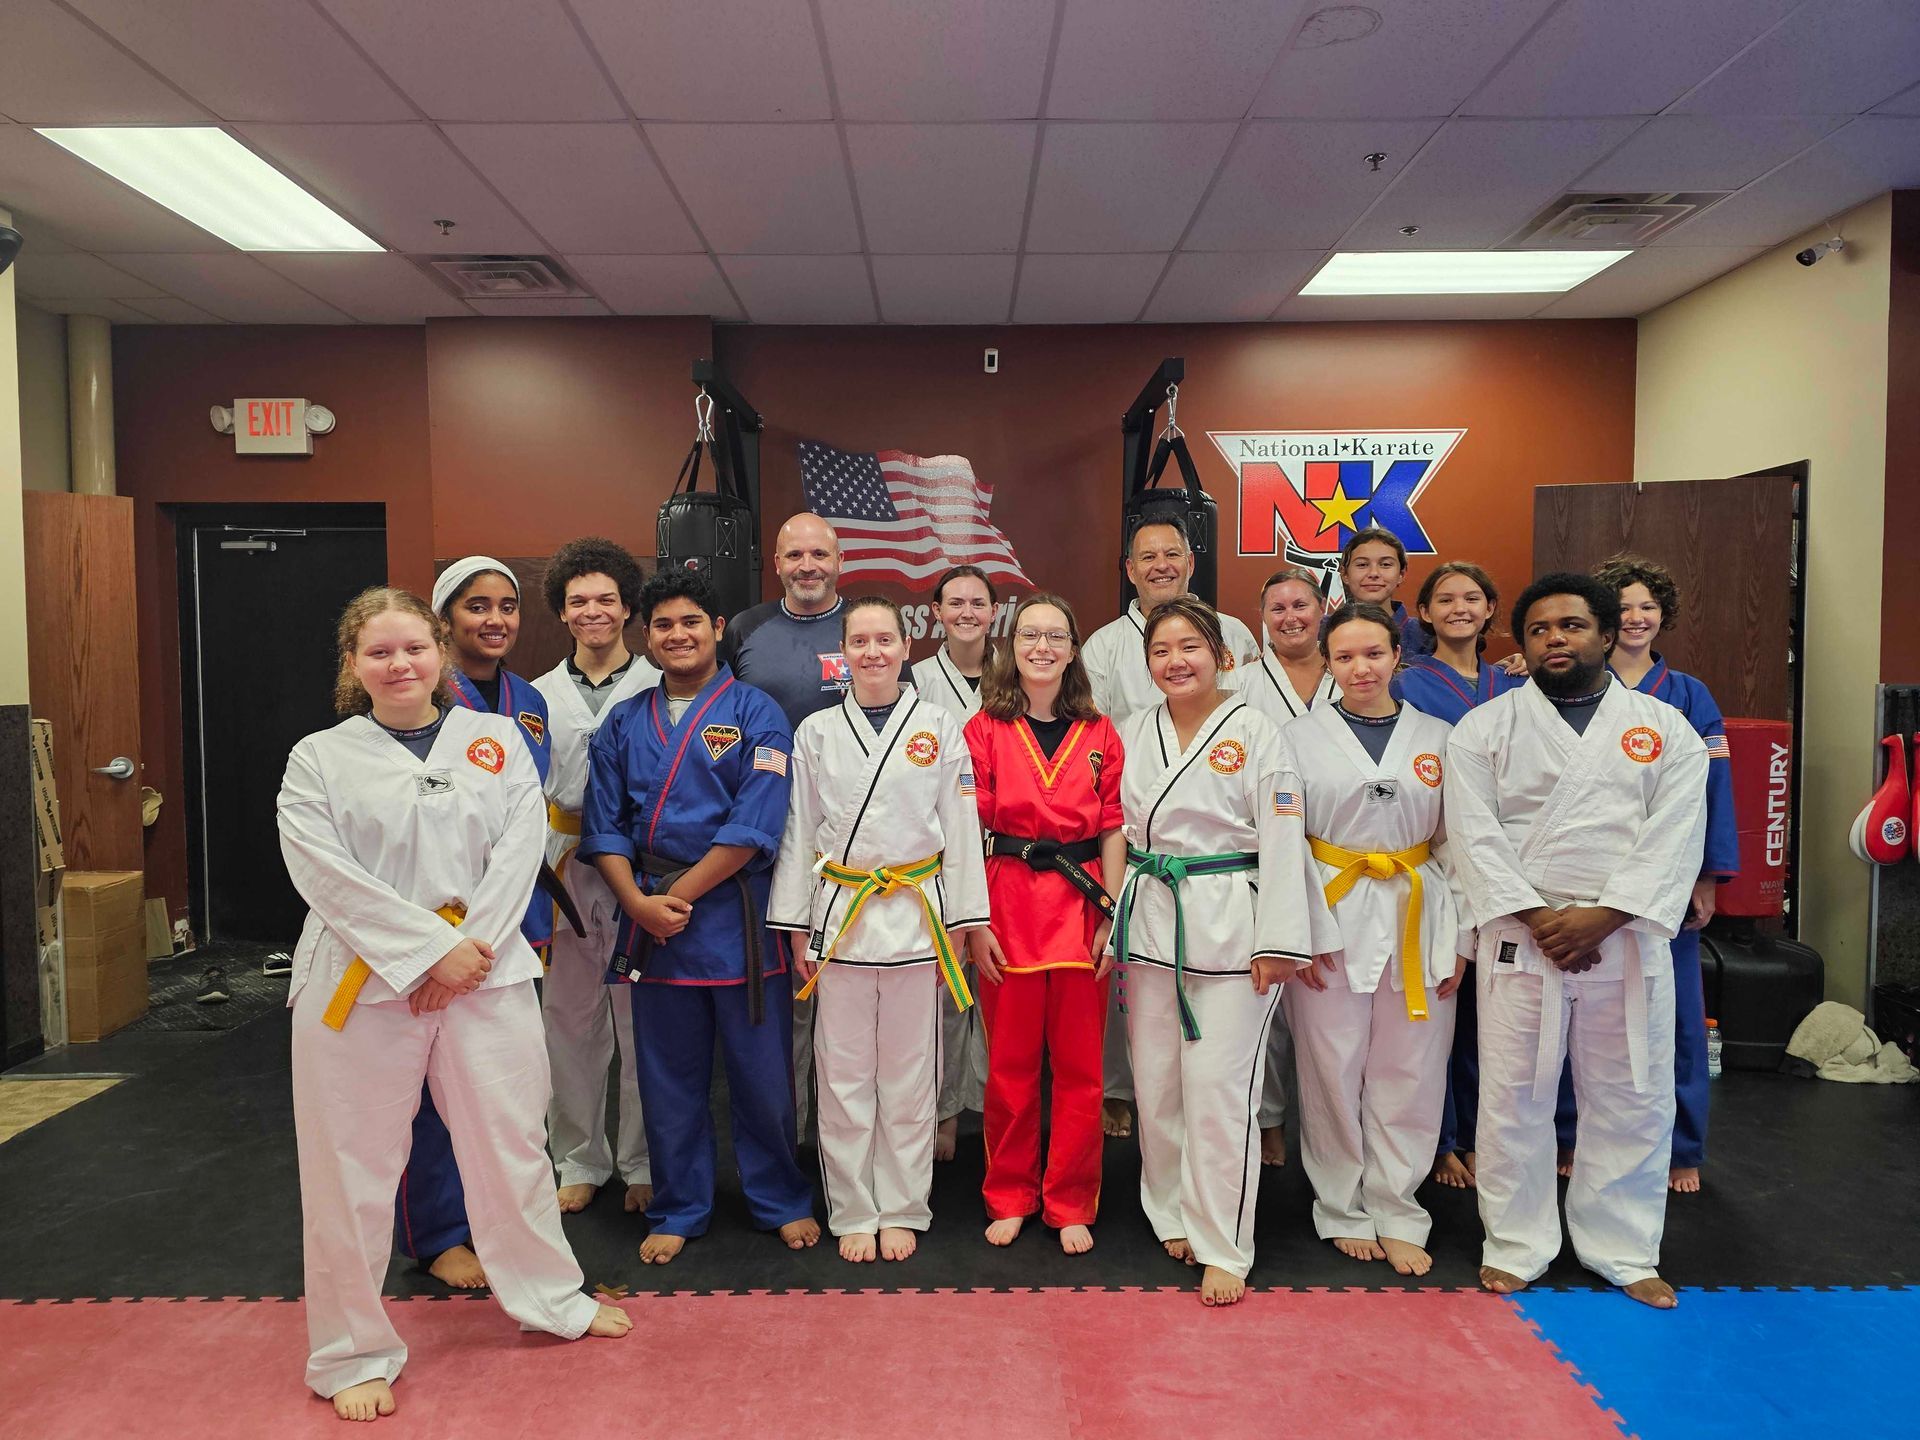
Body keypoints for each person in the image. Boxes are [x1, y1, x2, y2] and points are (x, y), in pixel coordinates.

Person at [278, 587, 628, 1421]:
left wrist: (463, 954)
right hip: (360, 986)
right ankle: (351, 1351)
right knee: (350, 1171)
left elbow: (519, 852)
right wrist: (427, 952)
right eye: (379, 653)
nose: (399, 665)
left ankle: (551, 1296)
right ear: (353, 666)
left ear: (439, 654)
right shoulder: (319, 757)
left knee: (511, 1147)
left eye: (413, 649)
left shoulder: (496, 739)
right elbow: (322, 872)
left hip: (486, 974)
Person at [1445, 573, 1706, 1308]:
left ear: (1605, 632)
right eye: (1540, 630)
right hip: (1522, 936)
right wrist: (1539, 917)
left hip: (1622, 938)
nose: (1556, 638)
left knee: (1633, 1094)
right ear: (1521, 645)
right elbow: (1473, 834)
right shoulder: (1485, 730)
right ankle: (1517, 1243)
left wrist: (1608, 913)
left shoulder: (1664, 728)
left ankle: (1624, 1248)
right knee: (1512, 1097)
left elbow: (1677, 830)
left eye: (1572, 625)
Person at [579, 570, 820, 1266]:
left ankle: (778, 1197)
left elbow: (756, 822)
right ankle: (680, 1204)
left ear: (719, 629)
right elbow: (606, 827)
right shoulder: (623, 722)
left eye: (692, 622)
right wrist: (635, 904)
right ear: (646, 637)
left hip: (737, 920)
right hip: (654, 924)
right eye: (662, 626)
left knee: (763, 1078)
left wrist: (672, 896)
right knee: (665, 1077)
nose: (678, 635)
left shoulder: (757, 712)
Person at [1113, 595, 1321, 1306]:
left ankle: (1225, 1242)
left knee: (1219, 1092)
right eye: (1161, 651)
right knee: (1157, 1083)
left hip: (1235, 924)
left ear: (1222, 654)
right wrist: (1113, 917)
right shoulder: (1134, 729)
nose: (1175, 661)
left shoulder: (1257, 730)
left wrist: (1282, 942)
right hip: (1151, 923)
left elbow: (1285, 837)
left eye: (1189, 647)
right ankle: (1170, 1208)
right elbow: (1116, 830)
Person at [769, 597, 989, 1264]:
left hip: (917, 913)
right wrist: (797, 924)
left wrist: (962, 919)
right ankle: (853, 1206)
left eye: (884, 639)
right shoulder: (815, 732)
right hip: (841, 916)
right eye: (859, 641)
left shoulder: (939, 725)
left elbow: (961, 831)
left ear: (903, 646)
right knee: (841, 1076)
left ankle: (902, 1204)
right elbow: (798, 831)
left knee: (910, 1072)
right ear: (843, 653)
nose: (872, 652)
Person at [1282, 601, 1471, 1279]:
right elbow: (1285, 845)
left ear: (1399, 656)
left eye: (1373, 654)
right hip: (1331, 910)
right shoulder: (1295, 738)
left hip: (1421, 911)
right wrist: (1297, 933)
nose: (1360, 668)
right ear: (1326, 664)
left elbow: (1461, 845)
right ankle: (1340, 1205)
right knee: (1331, 1067)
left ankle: (1397, 1204)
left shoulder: (1442, 736)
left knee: (1413, 1070)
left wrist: (1464, 939)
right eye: (1344, 657)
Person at [391, 556, 556, 1291]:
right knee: (428, 1091)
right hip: (432, 922)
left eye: (507, 606)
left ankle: (505, 1223)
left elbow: (527, 818)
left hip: (512, 911)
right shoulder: (414, 695)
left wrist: (512, 911)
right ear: (443, 620)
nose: (495, 620)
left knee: (505, 1087)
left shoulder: (528, 702)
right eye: (476, 606)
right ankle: (439, 1231)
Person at [1553, 556, 1738, 1195]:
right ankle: (1572, 1135)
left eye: (1647, 608)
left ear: (1663, 617)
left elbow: (1714, 789)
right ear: (1602, 624)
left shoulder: (1688, 695)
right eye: (1623, 608)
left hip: (1663, 878)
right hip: (1576, 882)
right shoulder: (1563, 683)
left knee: (1674, 1019)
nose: (1635, 619)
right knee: (1571, 1017)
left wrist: (1707, 876)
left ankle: (1681, 1145)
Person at [1081, 505, 1261, 1139]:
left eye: (1171, 554)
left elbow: (1247, 725)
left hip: (1220, 840)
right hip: (1143, 833)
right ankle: (1119, 1090)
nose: (1160, 565)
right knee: (1138, 1000)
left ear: (1191, 561)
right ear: (1130, 571)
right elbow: (1096, 738)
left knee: (1223, 1043)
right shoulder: (1104, 645)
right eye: (1147, 557)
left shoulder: (1235, 631)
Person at [962, 593, 1125, 1255]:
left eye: (1055, 636)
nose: (1042, 647)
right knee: (1009, 1067)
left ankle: (1070, 1200)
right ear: (1010, 645)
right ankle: (1009, 1193)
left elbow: (1113, 826)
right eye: (1030, 635)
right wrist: (975, 923)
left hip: (1082, 907)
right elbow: (965, 831)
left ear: (1073, 648)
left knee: (1084, 1070)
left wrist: (1111, 914)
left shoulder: (1101, 731)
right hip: (1006, 906)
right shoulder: (983, 729)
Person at [532, 538, 658, 1218]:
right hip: (562, 861)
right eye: (578, 600)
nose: (592, 611)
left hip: (636, 862)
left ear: (628, 606)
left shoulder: (657, 685)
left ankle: (643, 1161)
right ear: (561, 610)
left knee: (643, 1023)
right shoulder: (534, 695)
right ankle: (579, 1157)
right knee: (569, 1019)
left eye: (606, 598)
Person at [721, 512, 849, 1142]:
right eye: (794, 555)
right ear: (776, 563)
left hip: (853, 836)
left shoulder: (865, 627)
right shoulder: (746, 627)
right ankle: (790, 1136)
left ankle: (843, 1133)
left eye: (818, 554)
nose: (807, 566)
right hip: (766, 832)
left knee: (847, 995)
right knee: (788, 993)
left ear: (839, 560)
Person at [1396, 560, 1521, 1191]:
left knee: (1492, 1014)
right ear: (1423, 613)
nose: (1458, 608)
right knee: (1442, 1003)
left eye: (1472, 597)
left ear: (1492, 608)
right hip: (1443, 852)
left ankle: (1480, 1135)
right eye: (1444, 599)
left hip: (1509, 855)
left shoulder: (1516, 684)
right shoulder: (1408, 682)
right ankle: (1442, 1139)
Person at [1231, 564, 1339, 1169]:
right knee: (1264, 1004)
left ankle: (1330, 1136)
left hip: (1336, 854)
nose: (1290, 617)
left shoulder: (1350, 670)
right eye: (1277, 609)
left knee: (1331, 1012)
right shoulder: (1241, 684)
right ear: (1262, 621)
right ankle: (1270, 1121)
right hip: (1266, 854)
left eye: (1301, 605)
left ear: (1322, 608)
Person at [912, 565, 997, 1163]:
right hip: (936, 855)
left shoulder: (1018, 676)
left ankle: (996, 1112)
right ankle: (942, 1113)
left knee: (997, 992)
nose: (967, 612)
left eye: (978, 602)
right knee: (943, 993)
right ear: (935, 612)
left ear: (996, 612)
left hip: (1006, 852)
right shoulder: (914, 678)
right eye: (955, 603)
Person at [1336, 526, 1432, 659]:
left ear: (1401, 574)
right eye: (1362, 565)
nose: (1374, 573)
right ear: (1345, 574)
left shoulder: (1426, 635)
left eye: (1385, 564)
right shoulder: (1325, 630)